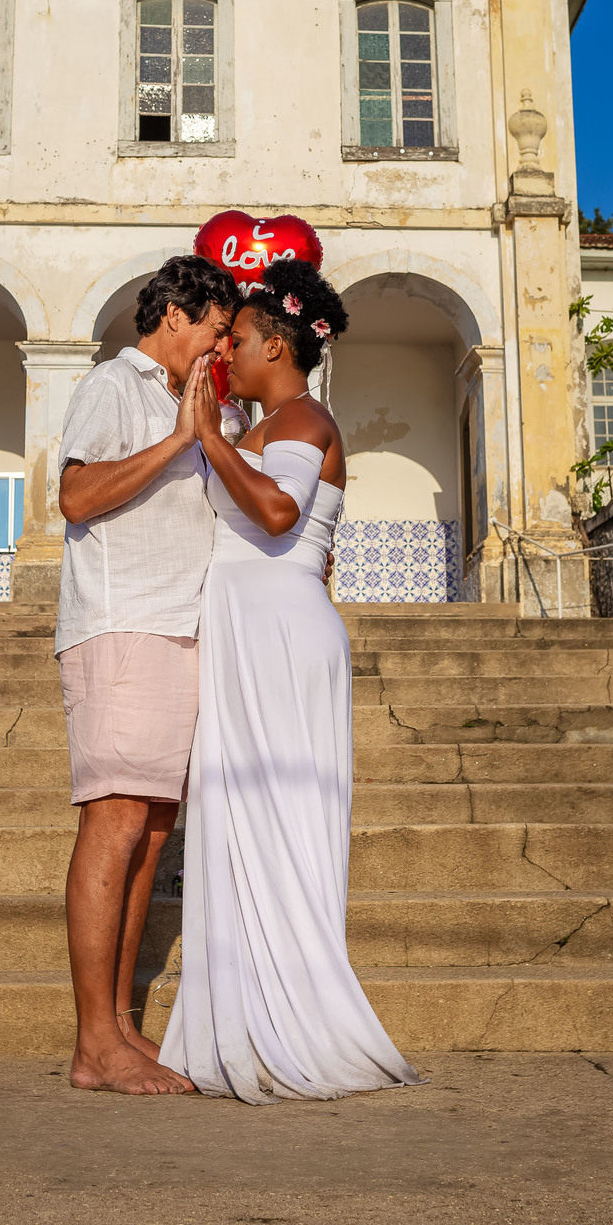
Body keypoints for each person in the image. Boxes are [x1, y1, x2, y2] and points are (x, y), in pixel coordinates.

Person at [159, 257, 425, 1102]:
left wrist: (208, 439)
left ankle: (296, 1014)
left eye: (235, 339)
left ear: (276, 344)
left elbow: (279, 516)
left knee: (278, 815)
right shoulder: (264, 425)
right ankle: (248, 1006)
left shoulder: (306, 416)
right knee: (242, 815)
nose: (225, 350)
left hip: (276, 631)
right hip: (251, 627)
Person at [55, 253, 238, 1095]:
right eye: (214, 327)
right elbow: (78, 497)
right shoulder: (114, 385)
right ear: (174, 316)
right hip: (121, 623)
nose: (221, 343)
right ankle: (94, 1040)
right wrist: (179, 442)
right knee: (117, 822)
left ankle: (122, 1030)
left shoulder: (194, 402)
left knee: (154, 832)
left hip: (181, 631)